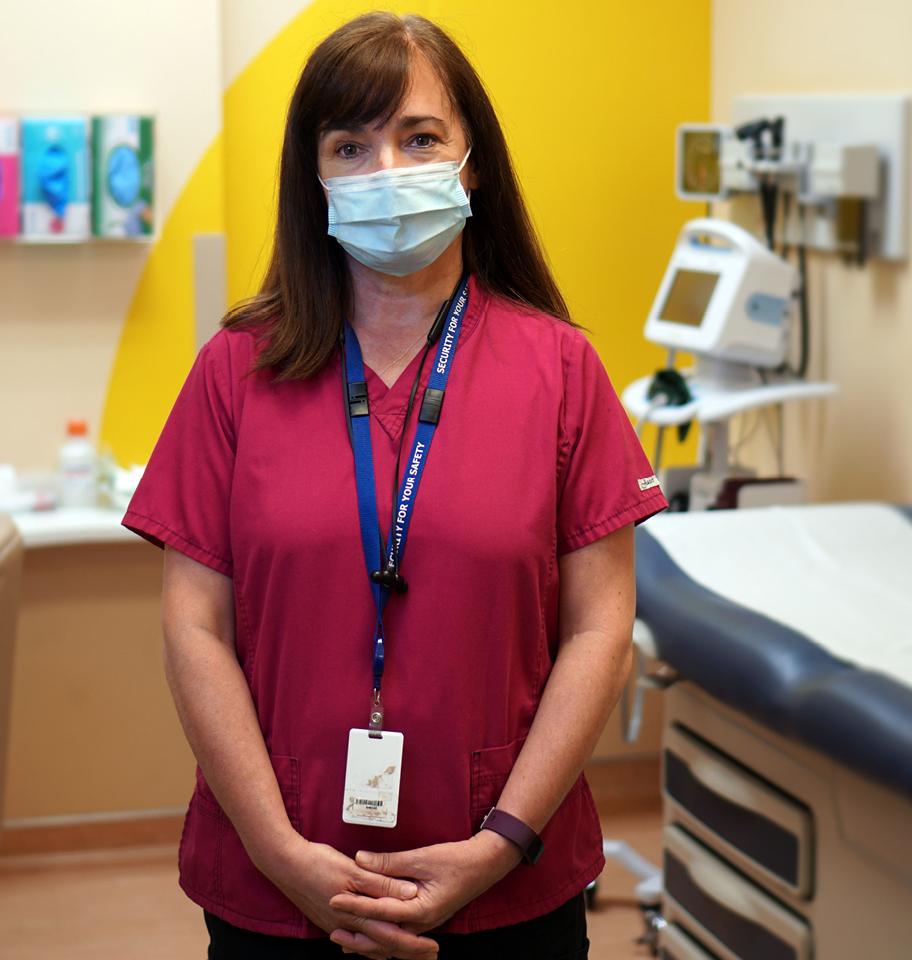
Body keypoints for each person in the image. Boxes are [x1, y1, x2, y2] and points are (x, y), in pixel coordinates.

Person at [120, 12, 667, 959]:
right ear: (316, 178)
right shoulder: (236, 372)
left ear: (472, 162)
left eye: (419, 138)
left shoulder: (561, 371)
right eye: (351, 145)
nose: (386, 172)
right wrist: (282, 851)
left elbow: (598, 626)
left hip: (508, 883)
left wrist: (499, 845)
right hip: (277, 884)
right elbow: (193, 627)